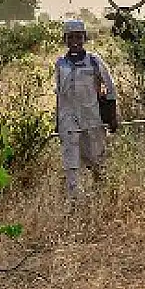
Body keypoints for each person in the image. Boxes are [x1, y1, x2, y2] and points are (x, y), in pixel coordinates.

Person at [54, 19, 118, 200]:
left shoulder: (94, 61)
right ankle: (74, 200)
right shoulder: (60, 64)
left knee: (96, 159)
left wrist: (112, 117)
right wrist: (57, 122)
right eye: (70, 37)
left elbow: (110, 88)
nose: (75, 41)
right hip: (68, 119)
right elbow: (59, 94)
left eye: (78, 37)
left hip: (92, 118)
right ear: (65, 39)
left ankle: (102, 196)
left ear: (84, 38)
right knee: (71, 162)